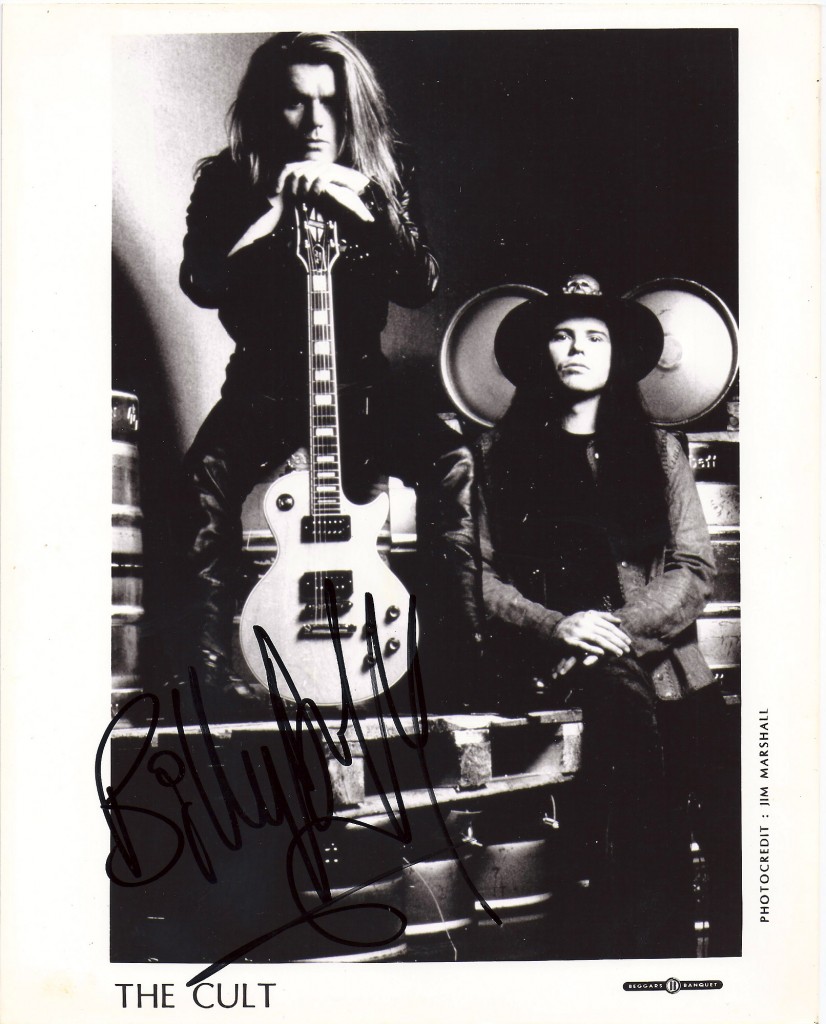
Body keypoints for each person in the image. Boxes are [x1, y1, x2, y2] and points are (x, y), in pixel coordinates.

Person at [444, 273, 738, 957]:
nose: (577, 348)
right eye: (561, 334)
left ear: (616, 355)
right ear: (542, 353)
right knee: (637, 818)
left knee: (735, 814)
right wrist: (558, 625)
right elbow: (477, 576)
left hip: (668, 669)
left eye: (594, 336)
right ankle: (648, 967)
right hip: (561, 671)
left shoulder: (660, 448)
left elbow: (695, 567)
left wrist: (618, 627)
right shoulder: (497, 457)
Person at [178, 32, 455, 717]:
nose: (315, 122)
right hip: (262, 388)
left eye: (331, 103)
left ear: (351, 107)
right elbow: (203, 281)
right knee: (199, 483)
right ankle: (211, 683)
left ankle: (459, 667)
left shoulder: (388, 172)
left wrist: (365, 199)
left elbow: (419, 283)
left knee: (454, 460)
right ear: (270, 109)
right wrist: (272, 210)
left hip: (362, 388)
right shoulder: (226, 179)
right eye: (296, 104)